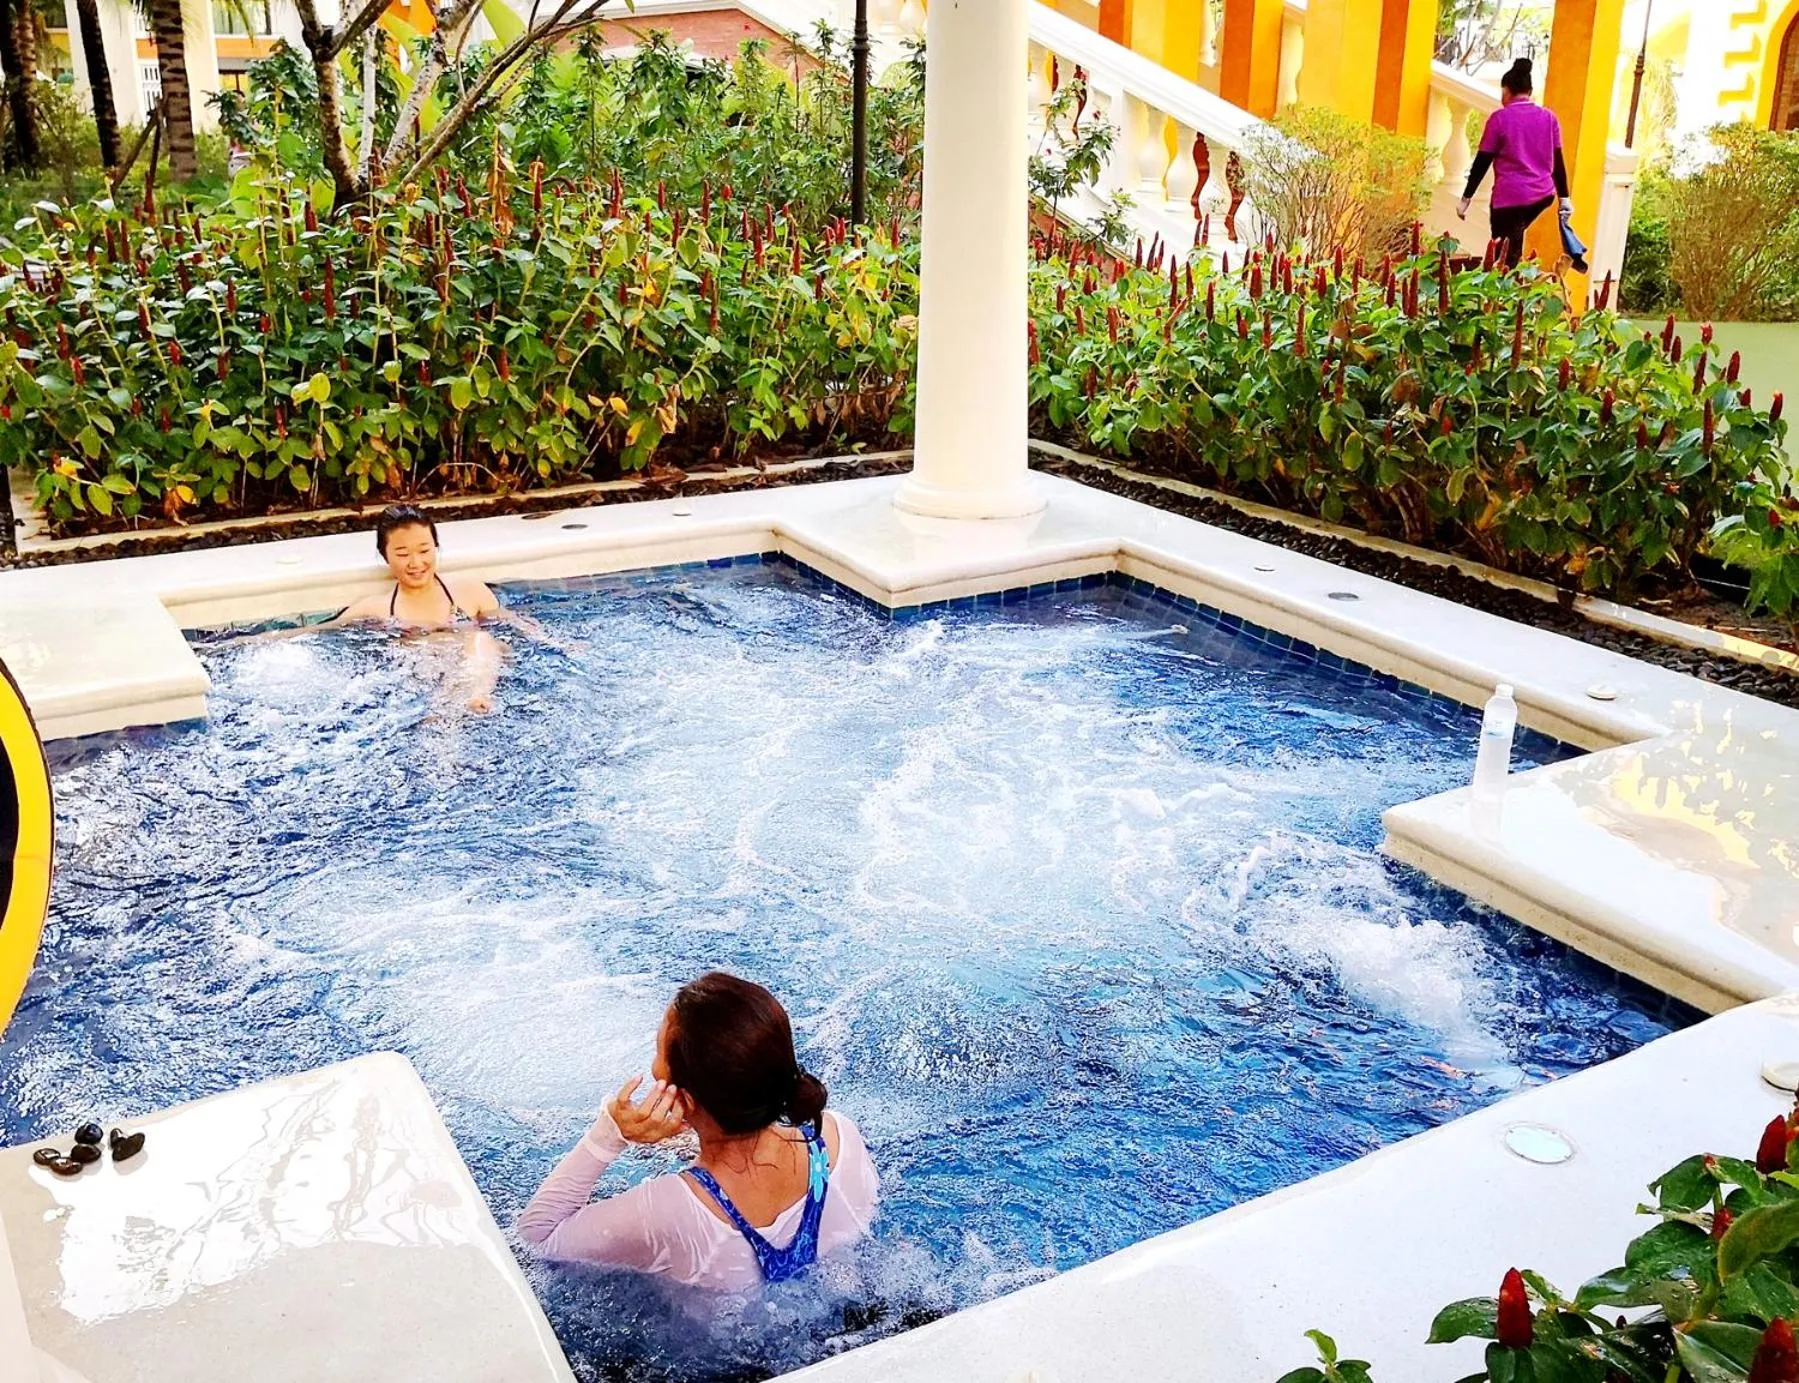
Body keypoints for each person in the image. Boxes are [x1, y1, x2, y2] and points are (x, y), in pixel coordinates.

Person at [518, 972, 878, 1290]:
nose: (654, 1064)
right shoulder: (838, 1137)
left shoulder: (669, 1210)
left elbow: (536, 1240)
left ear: (684, 1100)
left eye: (657, 1051)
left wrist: (610, 1134)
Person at [1457, 59, 1572, 270]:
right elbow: (1558, 161)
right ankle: (1509, 277)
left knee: (1503, 252)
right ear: (1529, 91)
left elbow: (1482, 161)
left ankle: (1501, 293)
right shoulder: (1549, 118)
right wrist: (1565, 199)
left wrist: (1466, 198)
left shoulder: (1499, 119)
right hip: (1541, 195)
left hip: (1509, 199)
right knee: (1513, 237)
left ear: (1507, 91)